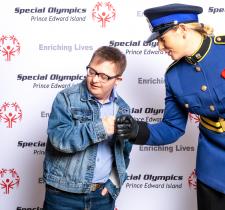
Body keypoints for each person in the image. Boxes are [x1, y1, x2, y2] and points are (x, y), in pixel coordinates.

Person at [116, 3, 225, 210]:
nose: (159, 47)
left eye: (162, 38)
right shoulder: (173, 76)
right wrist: (136, 130)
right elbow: (172, 127)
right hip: (213, 173)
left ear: (182, 30)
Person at [43, 46, 132, 210]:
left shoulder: (123, 109)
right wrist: (100, 128)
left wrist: (114, 182)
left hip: (102, 197)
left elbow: (123, 152)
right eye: (92, 71)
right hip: (62, 195)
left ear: (118, 80)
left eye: (104, 76)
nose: (95, 80)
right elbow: (59, 138)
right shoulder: (67, 98)